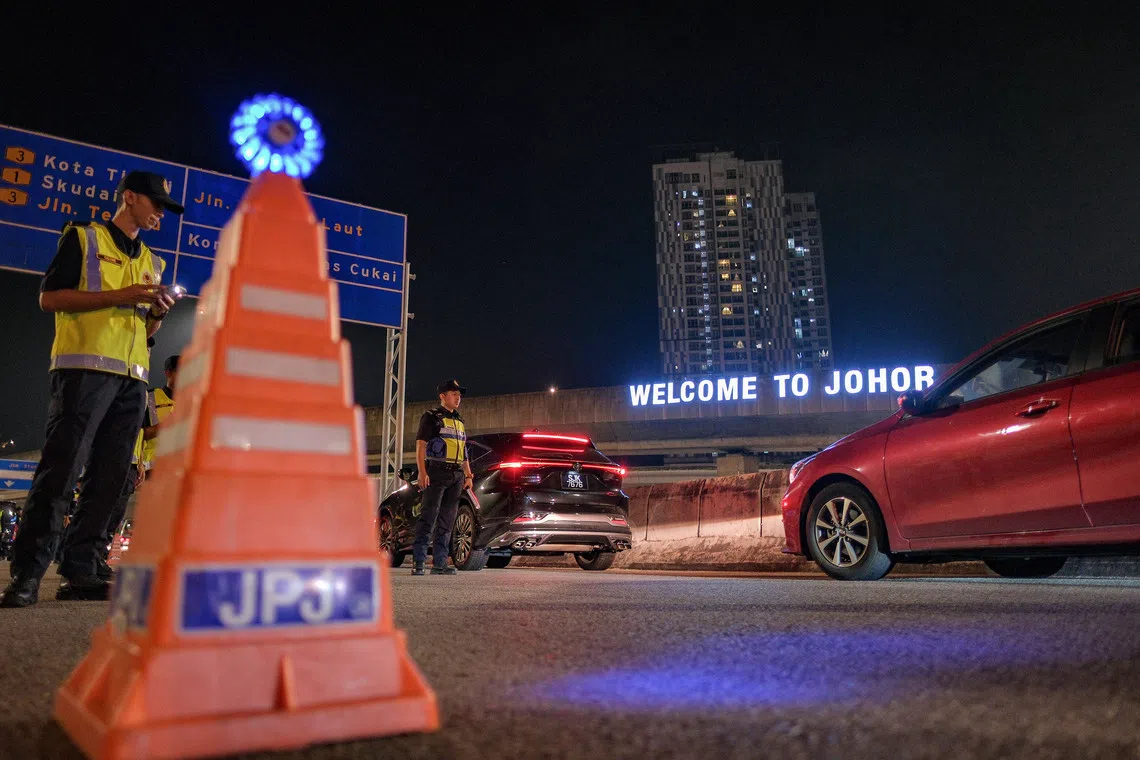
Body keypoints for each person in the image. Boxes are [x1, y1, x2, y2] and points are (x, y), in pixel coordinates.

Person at [0, 171, 184, 608]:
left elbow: (146, 327)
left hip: (133, 379)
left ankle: (82, 569)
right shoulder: (83, 237)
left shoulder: (153, 262)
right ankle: (25, 574)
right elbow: (50, 298)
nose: (160, 214)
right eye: (154, 204)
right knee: (61, 470)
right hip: (83, 370)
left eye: (164, 208)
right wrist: (122, 294)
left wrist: (156, 311)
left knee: (111, 479)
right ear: (129, 198)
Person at [411, 379, 474, 576]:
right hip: (436, 472)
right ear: (442, 396)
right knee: (428, 517)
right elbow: (421, 445)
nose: (458, 398)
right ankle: (419, 562)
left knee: (447, 520)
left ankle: (440, 563)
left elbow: (463, 451)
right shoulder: (431, 417)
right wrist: (422, 472)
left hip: (456, 475)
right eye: (454, 394)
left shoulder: (459, 421)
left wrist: (468, 475)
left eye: (459, 394)